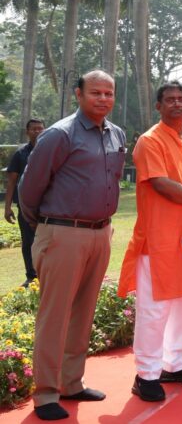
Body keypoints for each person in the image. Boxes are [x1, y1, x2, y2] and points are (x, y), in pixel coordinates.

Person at [18, 72, 125, 420]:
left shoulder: (116, 134)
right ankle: (46, 394)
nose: (103, 98)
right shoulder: (60, 134)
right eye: (95, 92)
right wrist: (45, 226)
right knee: (55, 315)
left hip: (100, 232)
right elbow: (29, 189)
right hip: (63, 232)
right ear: (78, 94)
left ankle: (71, 382)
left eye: (109, 93)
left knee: (83, 311)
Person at [119, 81, 182, 402]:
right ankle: (146, 375)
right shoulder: (150, 141)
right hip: (160, 240)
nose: (177, 104)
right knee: (154, 310)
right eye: (170, 100)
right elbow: (161, 184)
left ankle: (174, 364)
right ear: (159, 106)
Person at [5, 117, 45, 286]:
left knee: (48, 241)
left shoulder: (50, 152)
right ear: (27, 132)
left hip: (47, 207)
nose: (37, 131)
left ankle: (46, 274)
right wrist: (7, 208)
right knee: (28, 241)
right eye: (34, 129)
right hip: (25, 207)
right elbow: (12, 181)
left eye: (40, 128)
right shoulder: (20, 154)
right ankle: (31, 276)